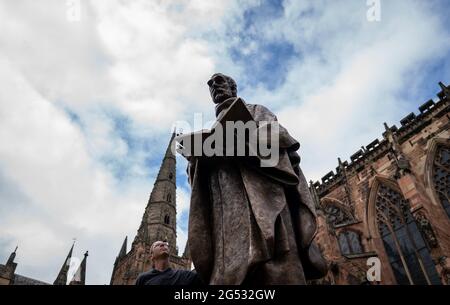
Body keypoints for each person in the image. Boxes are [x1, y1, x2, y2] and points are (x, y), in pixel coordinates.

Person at [185, 73, 328, 285]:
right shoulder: (212, 129)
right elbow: (197, 182)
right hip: (225, 212)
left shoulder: (255, 111)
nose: (215, 86)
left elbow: (280, 135)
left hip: (264, 201)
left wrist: (232, 144)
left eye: (220, 81)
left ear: (233, 88)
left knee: (276, 268)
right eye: (210, 85)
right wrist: (196, 158)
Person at [135, 241, 202, 285]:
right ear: (151, 256)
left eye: (165, 245)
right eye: (157, 245)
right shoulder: (142, 279)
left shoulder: (185, 275)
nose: (162, 244)